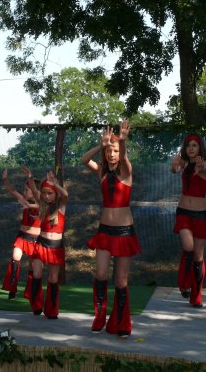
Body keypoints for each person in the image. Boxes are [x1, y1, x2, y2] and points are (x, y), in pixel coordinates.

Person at [82, 119, 141, 337]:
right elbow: (84, 159)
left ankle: (121, 323)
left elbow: (124, 159)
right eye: (109, 151)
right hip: (105, 232)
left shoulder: (126, 172)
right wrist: (101, 144)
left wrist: (122, 141)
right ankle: (99, 317)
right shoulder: (102, 173)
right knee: (100, 274)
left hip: (124, 232)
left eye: (115, 151)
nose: (112, 154)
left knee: (121, 280)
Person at [170, 133, 206, 308]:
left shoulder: (205, 165)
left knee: (198, 256)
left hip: (200, 215)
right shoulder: (184, 162)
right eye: (189, 145)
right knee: (188, 246)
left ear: (200, 148)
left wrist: (201, 167)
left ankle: (196, 295)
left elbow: (203, 169)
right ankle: (184, 283)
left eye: (195, 145)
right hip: (183, 213)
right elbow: (174, 170)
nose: (191, 148)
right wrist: (174, 166)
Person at [28, 169, 68, 319]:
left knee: (53, 278)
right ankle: (37, 305)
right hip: (41, 244)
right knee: (36, 274)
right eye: (44, 193)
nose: (46, 196)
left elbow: (65, 194)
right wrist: (31, 177)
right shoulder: (42, 206)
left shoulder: (61, 207)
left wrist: (55, 183)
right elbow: (34, 191)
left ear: (55, 193)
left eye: (50, 193)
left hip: (55, 247)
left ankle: (51, 309)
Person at [1, 167, 40, 300]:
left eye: (26, 189)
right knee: (15, 258)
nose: (24, 192)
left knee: (32, 266)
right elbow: (12, 190)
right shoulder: (24, 200)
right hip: (22, 236)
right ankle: (12, 289)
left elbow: (39, 205)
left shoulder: (42, 203)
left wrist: (30, 178)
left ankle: (30, 292)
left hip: (36, 239)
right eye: (24, 189)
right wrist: (5, 180)